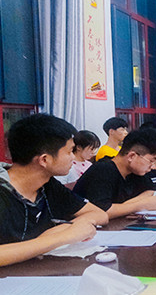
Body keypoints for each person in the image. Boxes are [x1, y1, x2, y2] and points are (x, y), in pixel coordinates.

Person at [0, 114, 108, 267]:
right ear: (44, 159)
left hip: (38, 272)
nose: (73, 158)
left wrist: (67, 228)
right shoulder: (3, 192)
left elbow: (100, 215)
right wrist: (63, 236)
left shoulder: (47, 185)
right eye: (69, 151)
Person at [73, 128, 156, 219]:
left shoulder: (134, 171)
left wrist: (125, 206)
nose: (152, 167)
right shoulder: (103, 170)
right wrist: (142, 205)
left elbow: (151, 190)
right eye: (151, 161)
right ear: (132, 156)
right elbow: (102, 211)